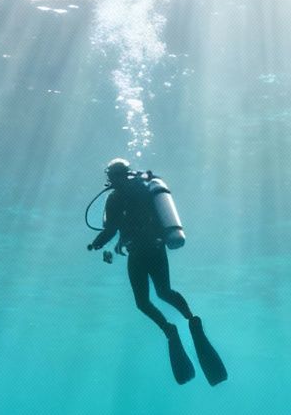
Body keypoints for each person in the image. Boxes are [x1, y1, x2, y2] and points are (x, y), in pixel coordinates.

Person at [86, 158, 227, 385]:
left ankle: (170, 329)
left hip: (139, 253)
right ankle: (191, 320)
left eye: (111, 177)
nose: (111, 181)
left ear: (113, 177)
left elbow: (111, 229)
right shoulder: (144, 188)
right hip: (156, 248)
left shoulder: (115, 198)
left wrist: (96, 244)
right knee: (164, 292)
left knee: (143, 302)